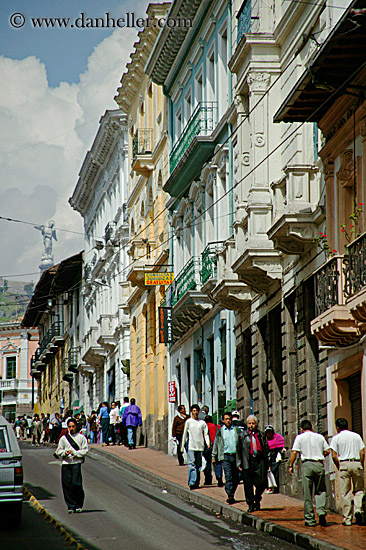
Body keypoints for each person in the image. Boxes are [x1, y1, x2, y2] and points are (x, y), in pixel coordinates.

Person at [289, 418, 330, 527]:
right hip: (319, 464)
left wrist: (290, 465)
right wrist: (320, 455)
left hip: (307, 465)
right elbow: (327, 450)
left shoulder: (299, 437)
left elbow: (294, 452)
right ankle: (321, 513)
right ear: (312, 427)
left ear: (301, 429)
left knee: (308, 493)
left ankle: (310, 519)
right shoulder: (320, 437)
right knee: (320, 490)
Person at [330, 417, 365, 526]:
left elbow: (334, 455)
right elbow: (362, 452)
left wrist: (338, 465)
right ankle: (358, 510)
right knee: (359, 490)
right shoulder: (356, 436)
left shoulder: (336, 438)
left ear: (337, 427)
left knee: (345, 492)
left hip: (344, 464)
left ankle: (347, 518)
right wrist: (361, 463)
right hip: (357, 463)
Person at [237, 415, 270, 512]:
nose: (251, 425)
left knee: (262, 483)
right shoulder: (242, 435)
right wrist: (239, 463)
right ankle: (250, 504)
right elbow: (238, 449)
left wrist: (267, 462)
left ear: (257, 424)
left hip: (259, 461)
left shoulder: (261, 435)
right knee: (248, 484)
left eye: (253, 423)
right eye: (249, 423)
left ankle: (257, 497)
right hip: (247, 461)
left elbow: (266, 449)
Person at [55, 417, 88, 513]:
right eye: (69, 427)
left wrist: (75, 453)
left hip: (76, 463)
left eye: (73, 426)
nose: (71, 428)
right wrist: (65, 452)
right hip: (66, 463)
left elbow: (85, 450)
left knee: (76, 484)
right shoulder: (64, 438)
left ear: (76, 426)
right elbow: (59, 450)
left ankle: (78, 504)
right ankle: (70, 505)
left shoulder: (81, 438)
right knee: (67, 485)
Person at [213, 412, 242, 504]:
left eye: (229, 419)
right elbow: (216, 444)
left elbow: (241, 443)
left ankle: (231, 491)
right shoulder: (220, 431)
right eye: (226, 419)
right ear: (223, 420)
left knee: (237, 477)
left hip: (236, 457)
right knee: (228, 476)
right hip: (225, 457)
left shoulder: (236, 430)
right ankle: (230, 495)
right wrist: (214, 456)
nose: (228, 420)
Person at [181, 404, 210, 490]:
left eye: (197, 411)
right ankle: (192, 482)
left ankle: (196, 482)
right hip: (191, 446)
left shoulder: (202, 423)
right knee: (192, 464)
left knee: (198, 465)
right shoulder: (188, 422)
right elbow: (185, 434)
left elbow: (206, 434)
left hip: (200, 446)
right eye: (194, 411)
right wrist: (182, 447)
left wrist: (208, 443)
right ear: (191, 412)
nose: (195, 412)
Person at [204, 415, 223, 486]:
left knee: (208, 463)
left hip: (208, 447)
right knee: (217, 463)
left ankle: (208, 479)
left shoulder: (205, 426)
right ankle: (219, 476)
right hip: (217, 447)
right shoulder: (217, 426)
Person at [264, 425, 284, 493]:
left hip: (275, 457)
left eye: (270, 432)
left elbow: (281, 444)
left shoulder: (277, 437)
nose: (269, 434)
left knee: (274, 471)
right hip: (267, 458)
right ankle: (269, 487)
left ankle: (275, 487)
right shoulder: (264, 440)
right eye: (267, 432)